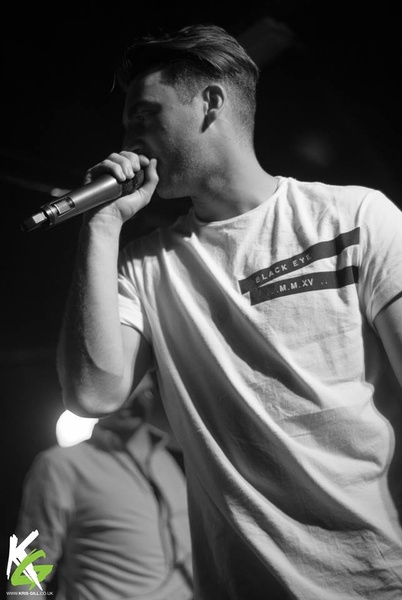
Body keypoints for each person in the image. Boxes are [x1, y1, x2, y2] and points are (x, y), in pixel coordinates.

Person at [56, 23, 402, 599]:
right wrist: (101, 225)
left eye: (144, 115)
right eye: (127, 123)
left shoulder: (356, 217)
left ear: (210, 103)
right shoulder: (144, 266)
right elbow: (92, 395)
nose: (129, 140)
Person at [7, 374, 193, 599]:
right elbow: (29, 562)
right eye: (120, 390)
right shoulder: (62, 464)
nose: (129, 400)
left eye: (142, 390)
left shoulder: (169, 462)